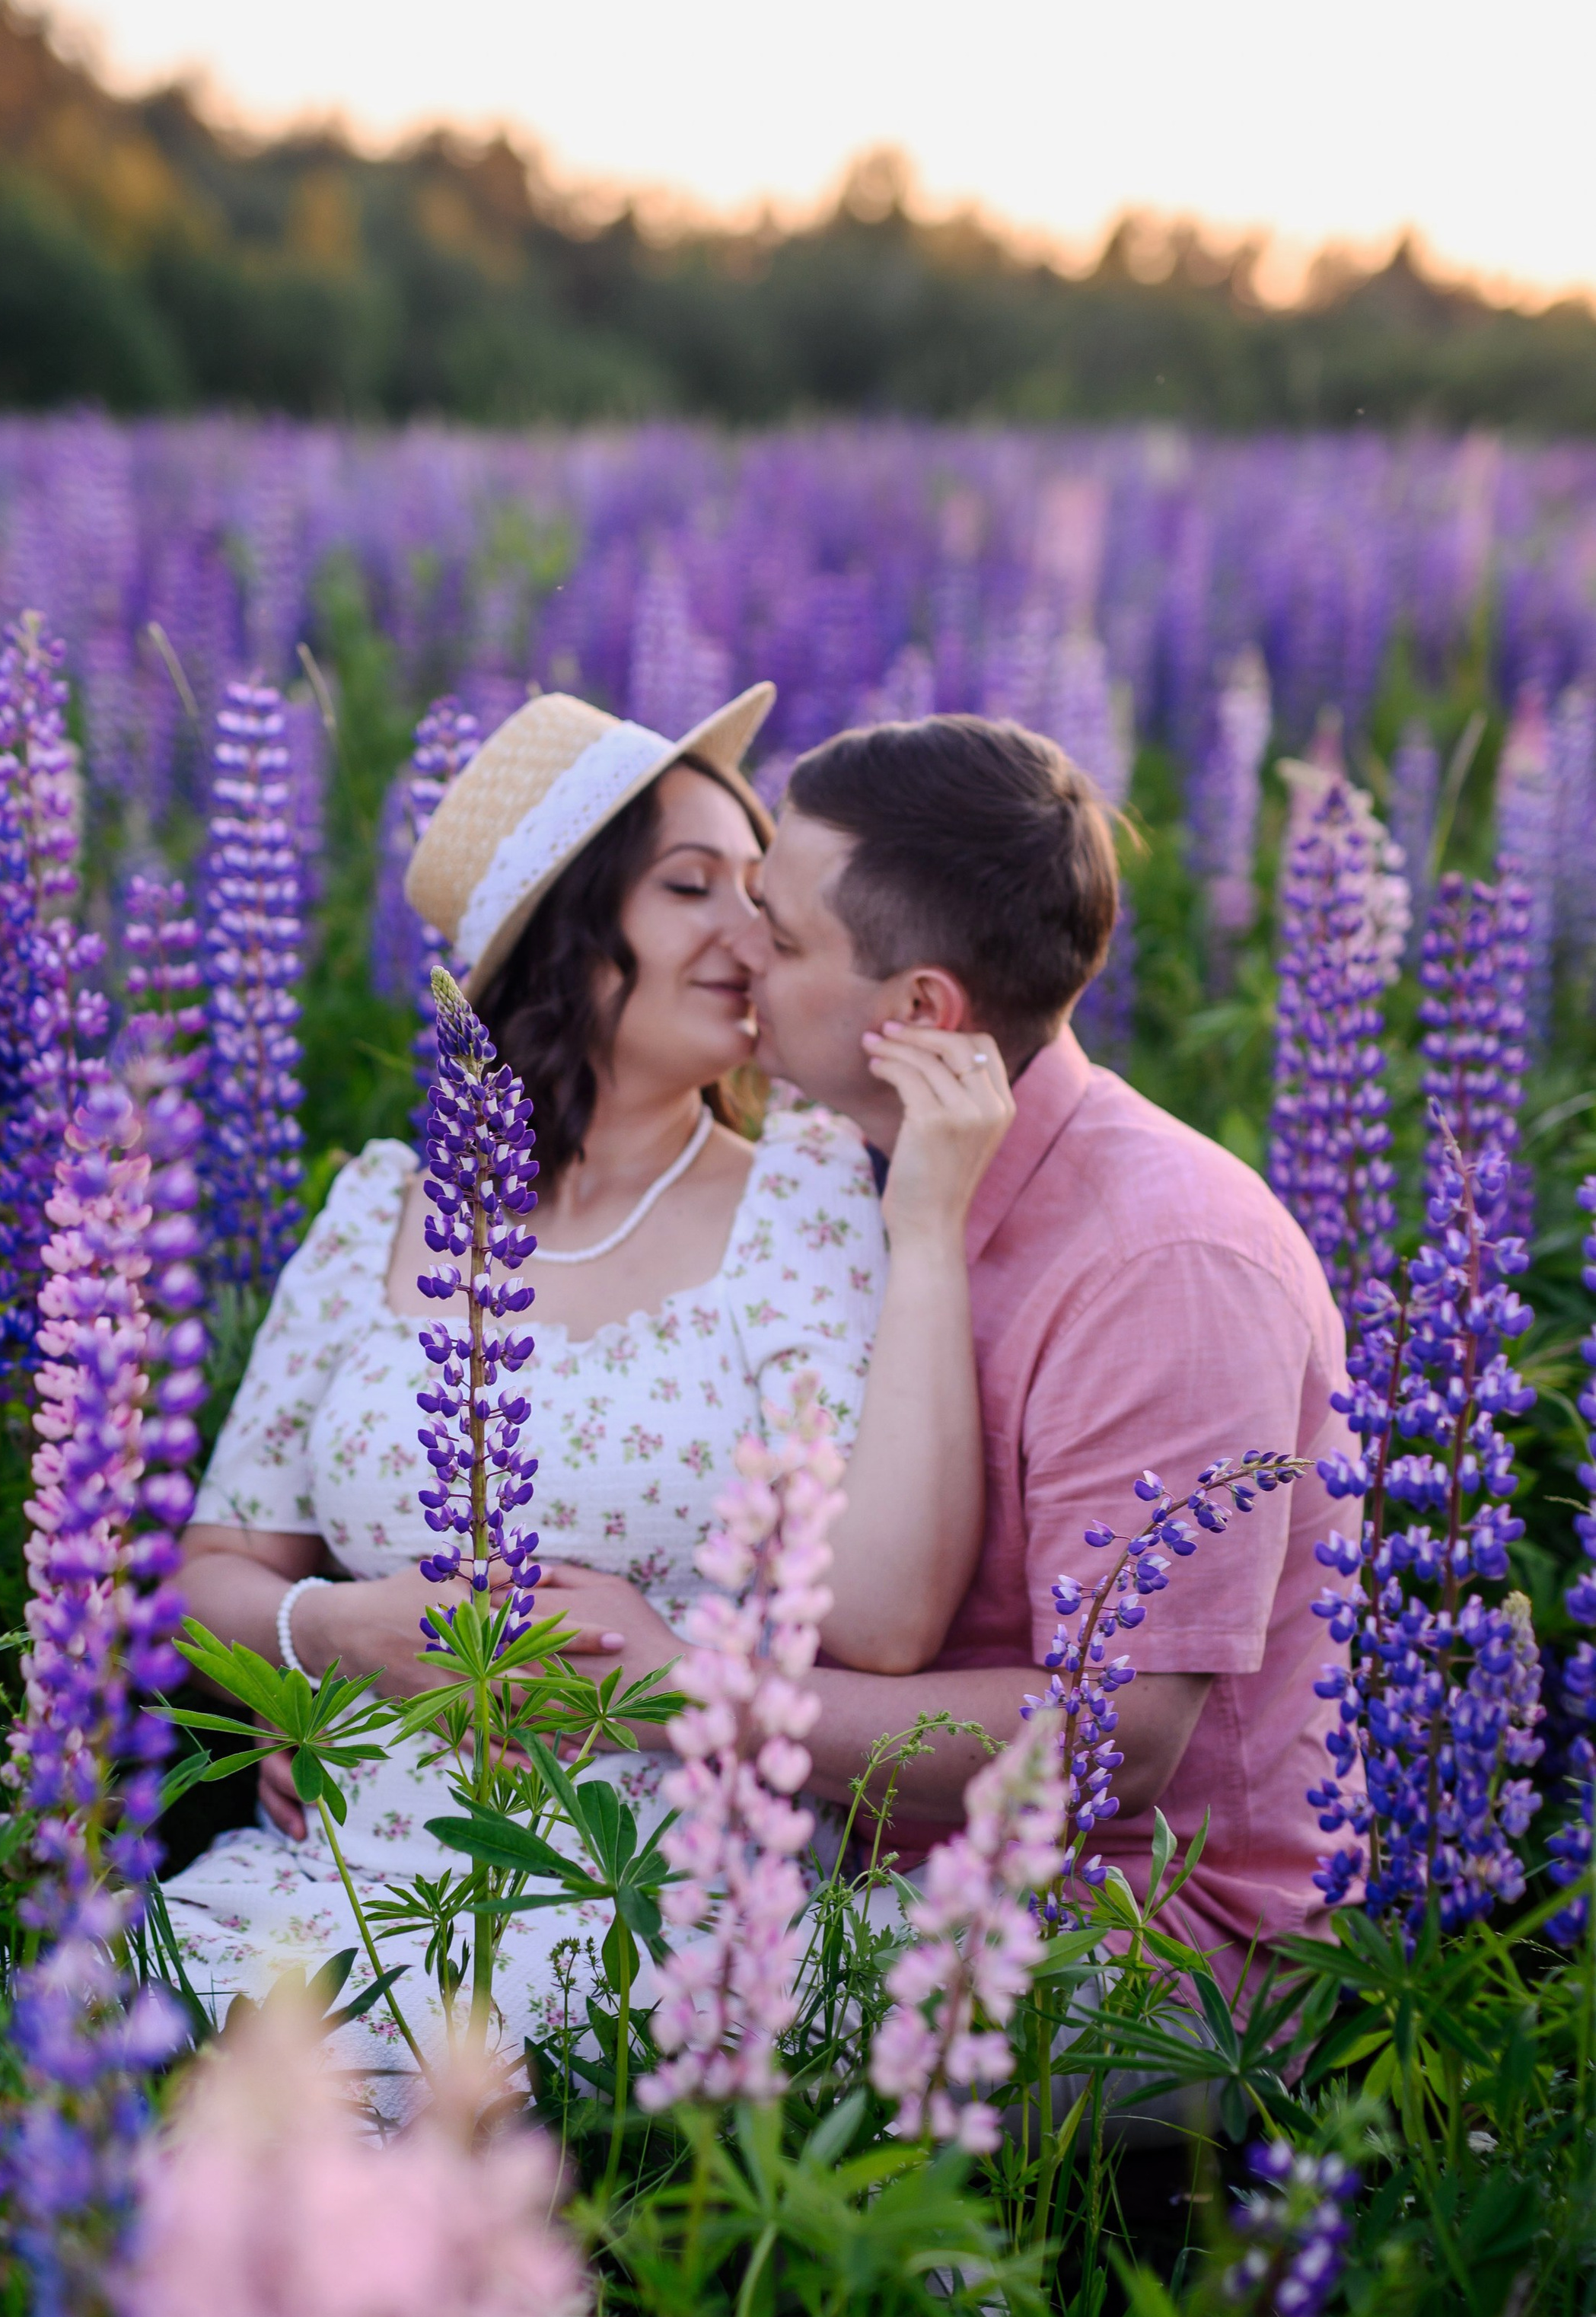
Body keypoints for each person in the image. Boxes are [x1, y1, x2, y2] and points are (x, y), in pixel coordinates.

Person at [163, 685, 1013, 2082]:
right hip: (347, 1877)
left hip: (659, 1907)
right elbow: (214, 1570)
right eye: (694, 889)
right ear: (566, 925)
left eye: (763, 895)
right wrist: (345, 1632)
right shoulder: (383, 1205)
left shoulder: (803, 1199)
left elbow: (892, 1622)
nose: (755, 936)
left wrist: (921, 1231)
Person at [537, 715, 1352, 1995]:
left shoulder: (1169, 1256)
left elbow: (1118, 1738)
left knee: (584, 2024)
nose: (739, 950)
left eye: (786, 933)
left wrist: (682, 1689)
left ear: (919, 1009)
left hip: (1142, 1934)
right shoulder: (832, 1177)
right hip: (854, 1864)